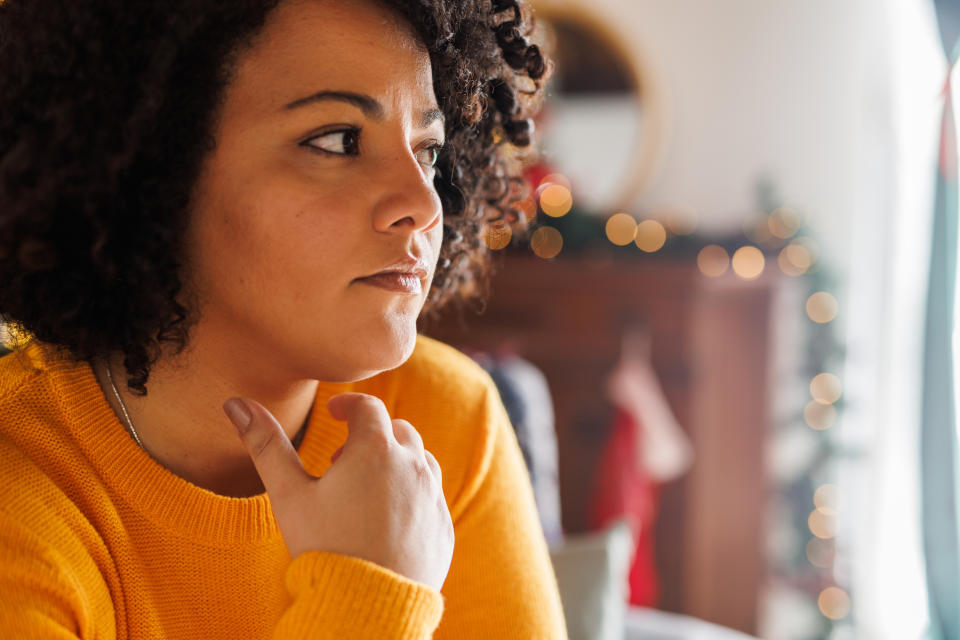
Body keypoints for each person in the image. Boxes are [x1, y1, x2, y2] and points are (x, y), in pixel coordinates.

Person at [0, 0, 568, 637]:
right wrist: (366, 594)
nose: (421, 204)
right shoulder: (19, 501)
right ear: (147, 168)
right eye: (337, 141)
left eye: (428, 151)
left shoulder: (446, 419)